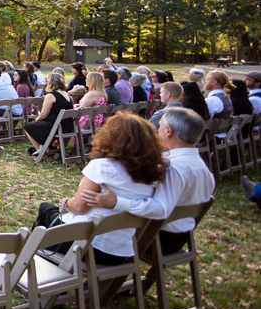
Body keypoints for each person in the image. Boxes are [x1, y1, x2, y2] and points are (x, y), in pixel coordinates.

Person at [33, 112, 165, 266]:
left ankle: (38, 267)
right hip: (119, 251)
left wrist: (65, 202)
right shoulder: (152, 174)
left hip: (86, 245)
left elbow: (78, 207)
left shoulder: (103, 166)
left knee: (46, 211)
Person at [82, 108, 214, 255]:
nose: (156, 131)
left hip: (156, 238)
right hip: (181, 237)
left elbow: (160, 209)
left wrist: (117, 202)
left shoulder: (172, 167)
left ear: (168, 131)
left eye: (160, 126)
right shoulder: (202, 168)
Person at [24, 72, 74, 155]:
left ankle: (41, 150)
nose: (46, 83)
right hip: (67, 125)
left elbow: (44, 113)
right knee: (41, 125)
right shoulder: (68, 95)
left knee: (28, 127)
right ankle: (42, 147)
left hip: (56, 126)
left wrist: (37, 119)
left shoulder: (51, 96)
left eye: (47, 81)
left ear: (51, 83)